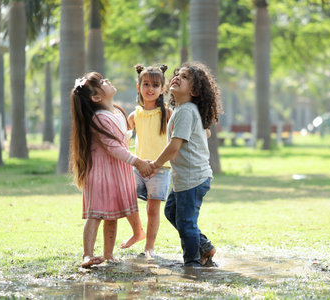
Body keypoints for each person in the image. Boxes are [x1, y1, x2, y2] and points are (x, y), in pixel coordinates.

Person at [70, 72, 152, 268]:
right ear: (96, 97)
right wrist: (138, 162)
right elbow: (113, 147)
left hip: (117, 172)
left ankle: (108, 255)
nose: (107, 80)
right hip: (100, 174)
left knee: (112, 216)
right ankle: (87, 255)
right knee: (95, 215)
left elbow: (122, 139)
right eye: (102, 82)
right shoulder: (98, 118)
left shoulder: (117, 112)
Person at [151, 62, 222, 267]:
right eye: (177, 74)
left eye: (185, 77)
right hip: (187, 178)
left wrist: (155, 164)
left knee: (186, 222)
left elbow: (174, 146)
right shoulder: (183, 110)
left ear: (194, 90)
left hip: (192, 179)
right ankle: (204, 246)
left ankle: (192, 263)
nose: (177, 77)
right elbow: (204, 133)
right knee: (172, 212)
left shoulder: (186, 111)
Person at [128, 64, 172, 260]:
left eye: (155, 85)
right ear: (139, 87)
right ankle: (138, 231)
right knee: (127, 201)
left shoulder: (167, 113)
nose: (150, 89)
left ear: (163, 89)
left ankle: (149, 246)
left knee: (153, 209)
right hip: (137, 167)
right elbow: (121, 138)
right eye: (146, 84)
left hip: (160, 169)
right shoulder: (134, 115)